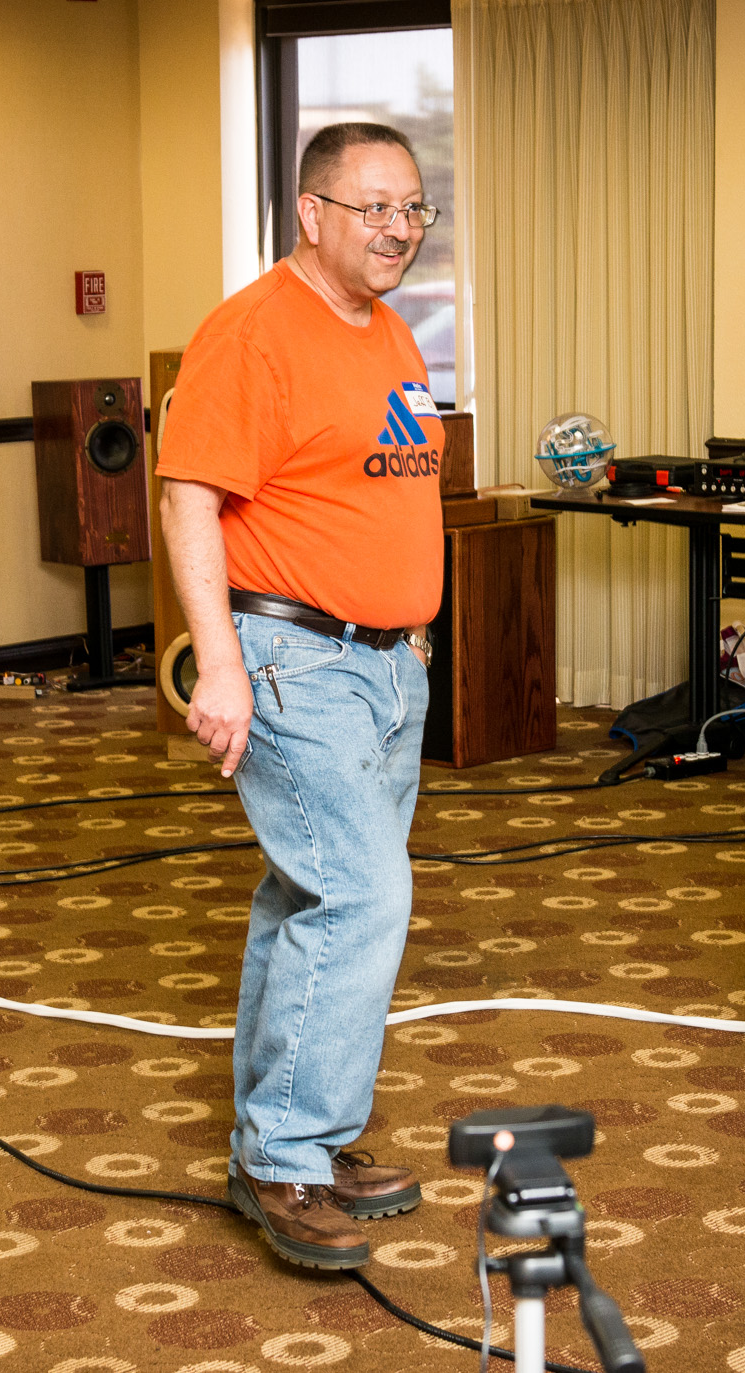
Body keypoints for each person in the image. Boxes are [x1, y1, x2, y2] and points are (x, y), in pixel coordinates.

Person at [153, 122, 446, 1266]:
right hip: (291, 659)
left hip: (385, 664)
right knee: (364, 893)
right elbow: (187, 498)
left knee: (307, 895)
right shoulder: (250, 334)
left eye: (413, 207)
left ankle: (294, 1140)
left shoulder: (391, 333)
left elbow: (377, 491)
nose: (399, 228)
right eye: (375, 207)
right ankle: (284, 1155)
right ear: (311, 213)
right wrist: (218, 660)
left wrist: (408, 633)